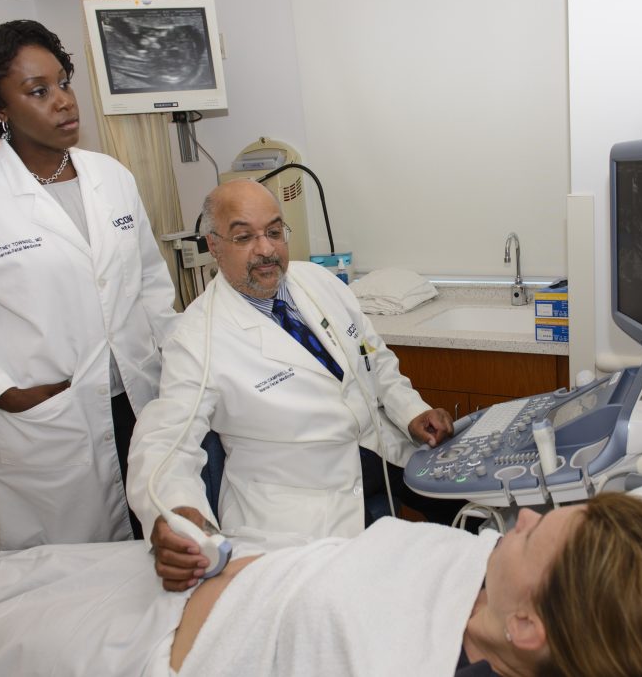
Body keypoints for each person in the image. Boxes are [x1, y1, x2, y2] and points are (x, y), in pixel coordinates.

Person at [0, 493, 642, 677]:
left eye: (543, 529)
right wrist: (206, 544)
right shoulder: (483, 588)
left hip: (144, 649)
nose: (528, 514)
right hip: (219, 569)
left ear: (531, 626)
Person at [0, 21, 177, 550]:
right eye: (38, 91)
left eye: (63, 82)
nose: (65, 102)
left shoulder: (110, 176)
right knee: (64, 572)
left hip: (139, 397)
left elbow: (150, 284)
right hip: (52, 414)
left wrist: (178, 364)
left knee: (155, 542)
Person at [126, 178, 459, 590]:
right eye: (244, 236)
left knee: (470, 511)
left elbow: (375, 359)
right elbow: (165, 444)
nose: (265, 249)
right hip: (297, 507)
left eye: (274, 231)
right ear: (214, 246)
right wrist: (174, 514)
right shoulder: (196, 339)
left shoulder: (318, 283)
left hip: (378, 451)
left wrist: (412, 412)